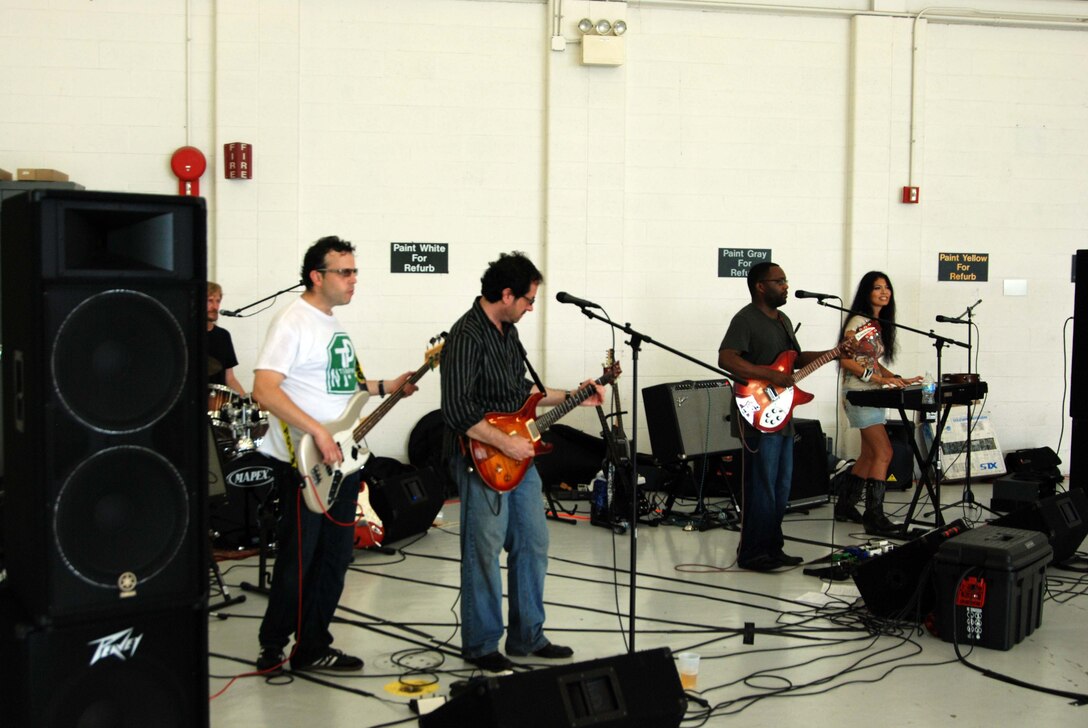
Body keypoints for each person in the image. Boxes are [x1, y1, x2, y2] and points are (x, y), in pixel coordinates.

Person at [253, 235, 417, 675]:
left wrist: (388, 387)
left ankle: (313, 645)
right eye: (344, 272)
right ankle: (273, 644)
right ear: (316, 276)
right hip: (306, 462)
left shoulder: (332, 325)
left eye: (355, 271)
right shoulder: (293, 320)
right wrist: (317, 434)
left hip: (341, 462)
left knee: (335, 557)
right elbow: (264, 389)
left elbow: (346, 389)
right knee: (299, 559)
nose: (353, 280)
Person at [440, 251, 604, 673]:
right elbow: (457, 411)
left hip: (519, 455)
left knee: (533, 543)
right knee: (484, 551)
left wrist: (575, 394)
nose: (532, 307)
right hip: (483, 460)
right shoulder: (466, 335)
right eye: (529, 299)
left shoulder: (508, 334)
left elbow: (522, 395)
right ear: (507, 294)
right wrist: (505, 444)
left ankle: (528, 635)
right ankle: (480, 644)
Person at [718, 262, 852, 572]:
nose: (786, 285)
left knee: (780, 487)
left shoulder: (784, 320)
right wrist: (768, 375)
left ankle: (772, 548)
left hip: (782, 415)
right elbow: (726, 358)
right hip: (756, 413)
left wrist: (834, 352)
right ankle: (752, 554)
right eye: (779, 281)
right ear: (760, 286)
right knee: (762, 485)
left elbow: (794, 360)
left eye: (785, 280)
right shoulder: (745, 319)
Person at [835, 271, 921, 536]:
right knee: (884, 453)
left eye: (887, 288)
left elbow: (871, 361)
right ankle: (875, 516)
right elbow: (845, 359)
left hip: (870, 393)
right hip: (859, 394)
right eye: (877, 288)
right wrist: (875, 378)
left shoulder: (875, 322)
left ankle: (845, 506)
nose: (884, 292)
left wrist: (894, 378)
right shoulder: (859, 321)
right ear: (867, 293)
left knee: (870, 454)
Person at [207, 281, 246, 395]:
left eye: (217, 301)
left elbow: (230, 379)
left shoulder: (223, 336)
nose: (215, 306)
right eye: (210, 301)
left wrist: (247, 402)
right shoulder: (186, 334)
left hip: (218, 404)